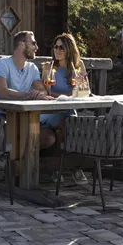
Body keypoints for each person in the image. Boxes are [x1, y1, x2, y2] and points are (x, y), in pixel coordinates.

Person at [0, 30, 56, 150]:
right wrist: (29, 95)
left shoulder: (32, 68)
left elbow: (42, 91)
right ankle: (14, 161)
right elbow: (2, 92)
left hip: (23, 117)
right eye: (33, 43)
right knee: (19, 135)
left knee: (48, 137)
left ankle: (18, 160)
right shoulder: (1, 64)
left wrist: (38, 94)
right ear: (22, 44)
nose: (36, 47)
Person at [42, 33, 88, 184]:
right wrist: (68, 95)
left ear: (69, 49)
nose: (58, 50)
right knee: (68, 125)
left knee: (68, 127)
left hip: (69, 111)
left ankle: (57, 168)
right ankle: (75, 167)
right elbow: (46, 94)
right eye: (55, 46)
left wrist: (79, 88)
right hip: (51, 112)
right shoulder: (49, 67)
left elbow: (84, 92)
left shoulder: (78, 66)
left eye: (61, 47)